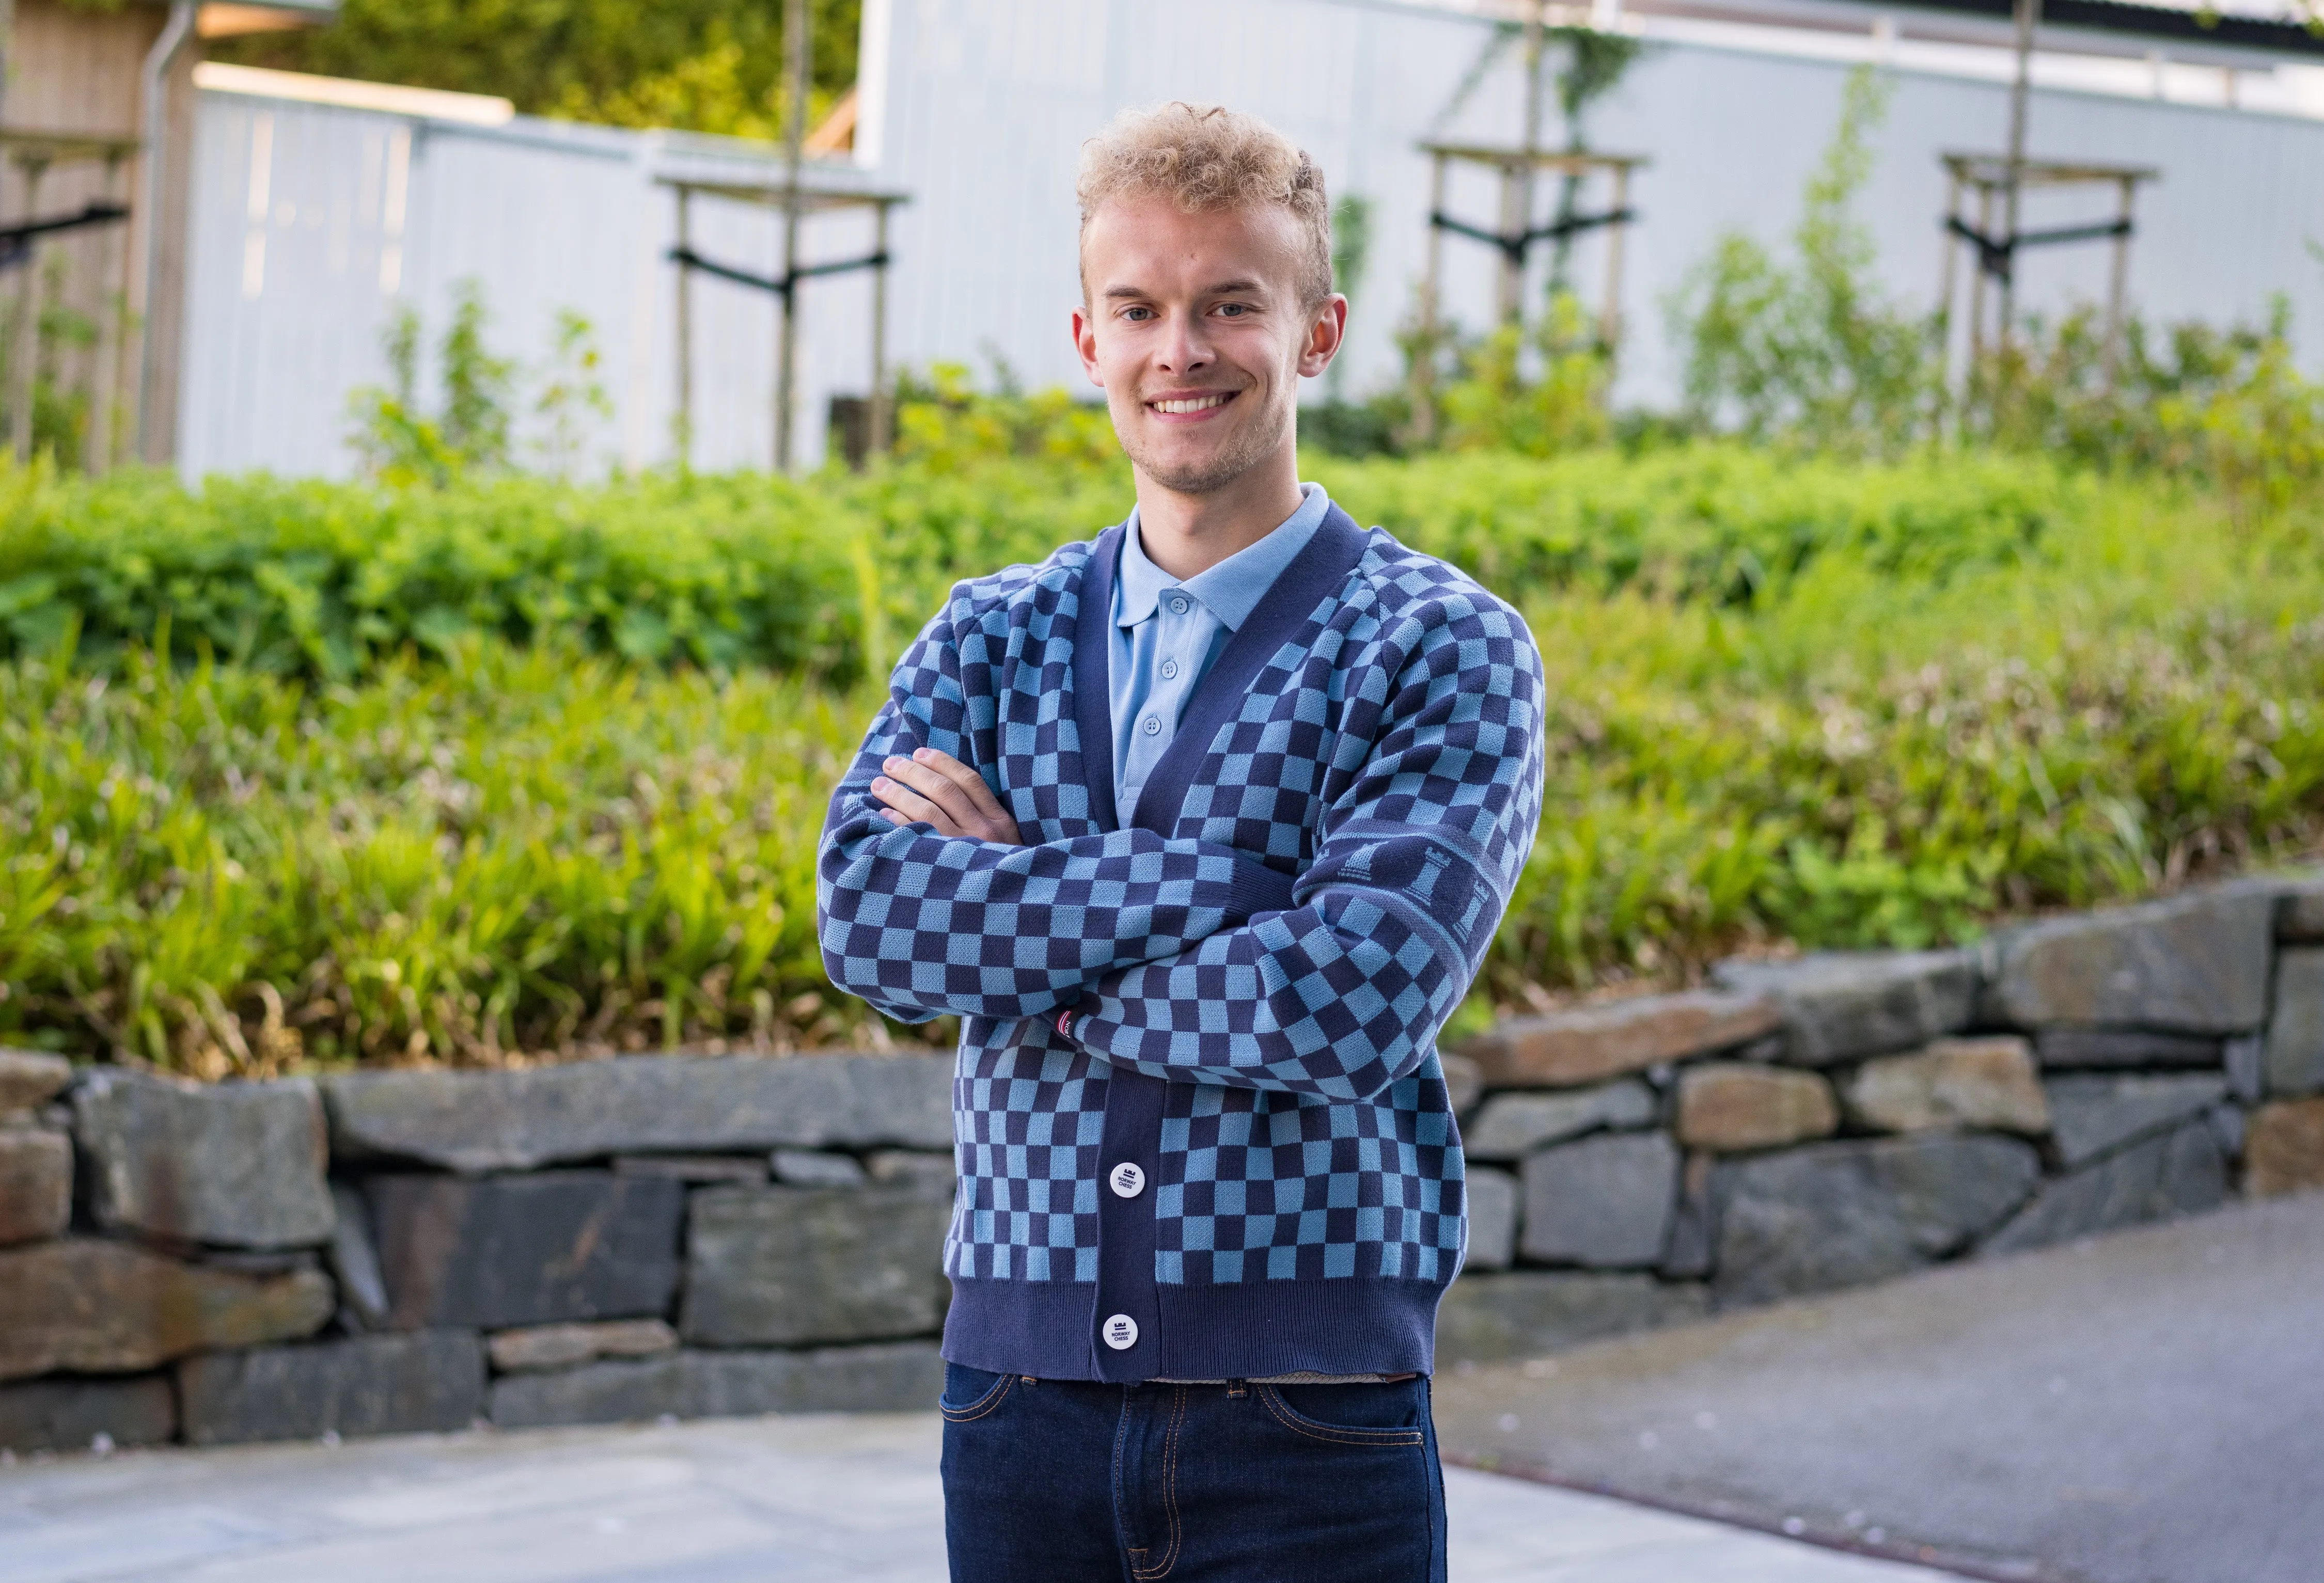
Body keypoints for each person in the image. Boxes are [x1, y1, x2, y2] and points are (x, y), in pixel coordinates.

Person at [816, 101, 1545, 1583]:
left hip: (1308, 1412)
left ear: (1318, 331)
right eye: (1138, 309)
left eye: (1231, 306)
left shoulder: (1437, 646)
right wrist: (1219, 889)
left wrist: (1027, 949)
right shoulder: (992, 634)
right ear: (1085, 338)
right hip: (1017, 1396)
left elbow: (1350, 998)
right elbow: (872, 917)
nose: (1180, 351)